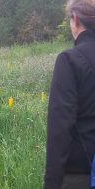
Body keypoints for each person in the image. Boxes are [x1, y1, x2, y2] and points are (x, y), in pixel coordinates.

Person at [44, 0, 95, 188]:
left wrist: (51, 183)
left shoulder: (70, 60)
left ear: (75, 19)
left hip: (81, 173)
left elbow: (60, 129)